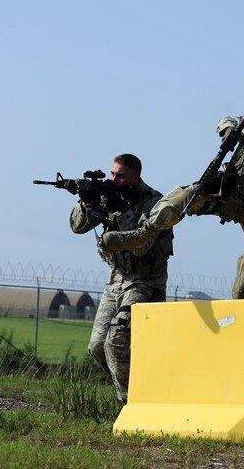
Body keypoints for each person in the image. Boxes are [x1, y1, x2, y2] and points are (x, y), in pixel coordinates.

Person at [103, 116, 244, 299]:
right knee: (183, 196)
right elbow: (229, 119)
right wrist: (227, 130)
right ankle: (144, 232)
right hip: (224, 194)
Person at [70, 154, 173, 404]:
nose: (114, 180)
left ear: (136, 176)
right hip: (116, 279)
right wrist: (87, 203)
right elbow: (78, 227)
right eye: (112, 174)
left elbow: (141, 244)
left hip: (145, 282)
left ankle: (129, 403)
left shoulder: (155, 202)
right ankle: (137, 387)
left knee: (116, 340)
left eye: (121, 176)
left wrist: (122, 208)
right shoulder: (108, 195)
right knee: (97, 346)